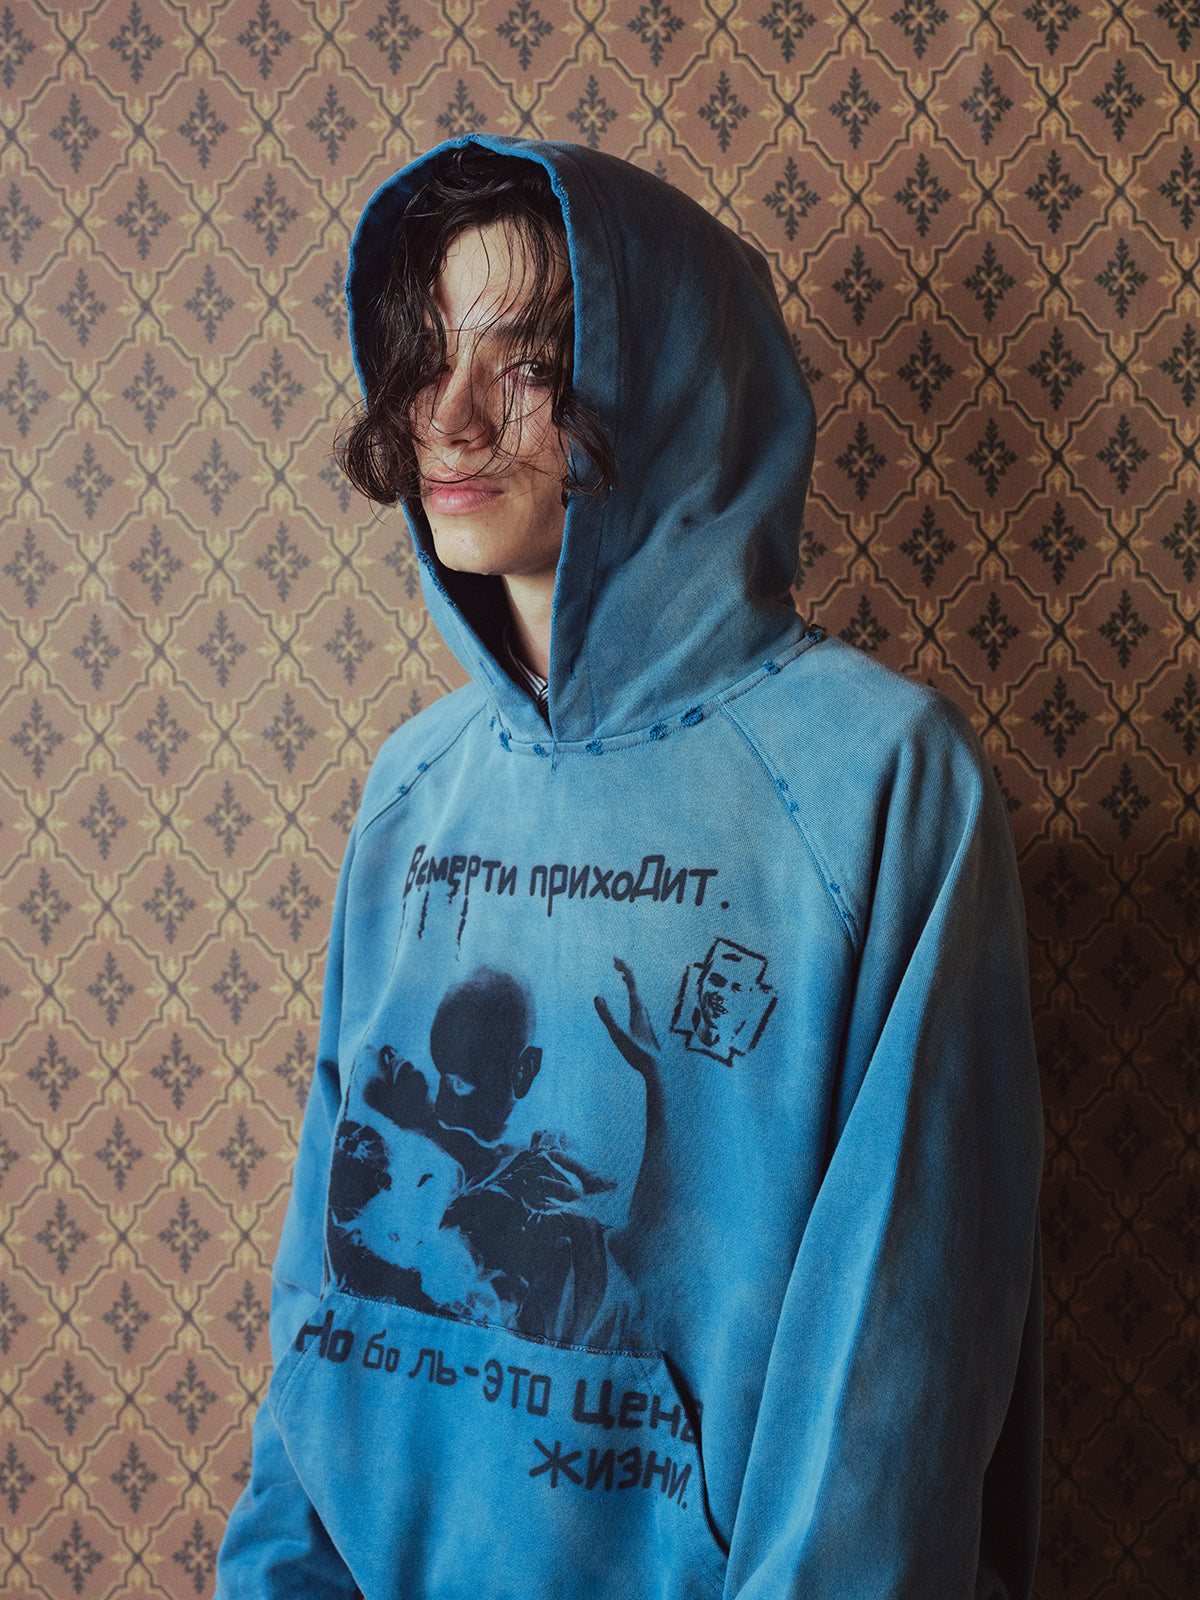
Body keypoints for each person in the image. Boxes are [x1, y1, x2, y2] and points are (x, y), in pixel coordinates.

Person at [215, 136, 1043, 1599]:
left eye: (529, 362)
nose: (451, 417)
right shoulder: (415, 787)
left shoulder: (878, 779)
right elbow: (327, 1296)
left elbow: (893, 1376)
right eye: (427, 354)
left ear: (664, 380)